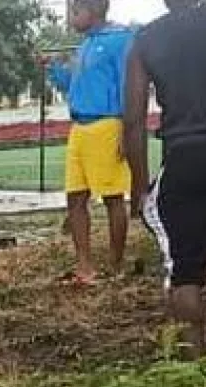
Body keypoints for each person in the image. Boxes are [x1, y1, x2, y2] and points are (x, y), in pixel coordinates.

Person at [125, 0, 206, 356]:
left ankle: (192, 370)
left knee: (185, 270)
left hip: (185, 157)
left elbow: (133, 120)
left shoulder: (147, 39)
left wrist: (140, 185)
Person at [44, 0, 135, 285]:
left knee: (112, 198)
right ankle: (85, 266)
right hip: (79, 127)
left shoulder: (119, 40)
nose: (71, 19)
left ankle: (115, 265)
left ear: (92, 11)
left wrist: (125, 129)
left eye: (75, 12)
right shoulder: (84, 45)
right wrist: (53, 70)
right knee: (75, 197)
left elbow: (128, 84)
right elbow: (72, 84)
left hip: (106, 124)